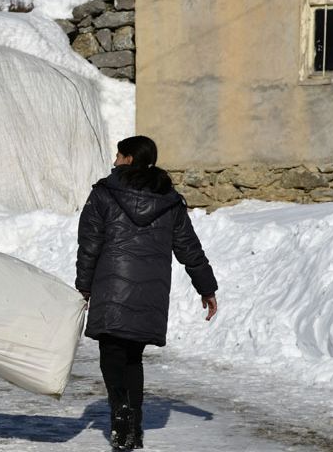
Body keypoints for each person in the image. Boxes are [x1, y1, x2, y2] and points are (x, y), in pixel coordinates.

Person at [75, 135, 218, 450]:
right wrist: (206, 287)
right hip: (150, 292)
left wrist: (83, 286)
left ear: (128, 159)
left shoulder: (103, 194)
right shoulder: (169, 199)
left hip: (111, 286)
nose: (114, 161)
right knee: (132, 358)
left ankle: (121, 414)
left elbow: (89, 245)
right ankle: (134, 426)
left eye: (118, 155)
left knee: (111, 354)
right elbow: (188, 247)